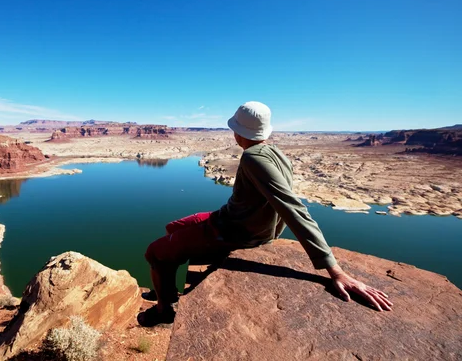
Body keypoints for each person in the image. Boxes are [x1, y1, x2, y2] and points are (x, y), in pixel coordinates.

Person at [138, 101, 393, 327]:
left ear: (238, 132)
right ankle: (167, 291)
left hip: (234, 231)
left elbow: (293, 209)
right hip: (229, 218)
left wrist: (335, 271)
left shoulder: (253, 158)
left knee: (154, 252)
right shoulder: (276, 152)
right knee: (174, 227)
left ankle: (163, 310)